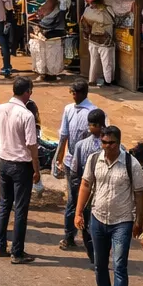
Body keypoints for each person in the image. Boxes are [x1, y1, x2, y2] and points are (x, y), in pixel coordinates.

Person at [76, 124, 143, 286]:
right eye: (103, 142)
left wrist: (139, 222)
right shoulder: (94, 160)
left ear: (118, 142)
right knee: (99, 263)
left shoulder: (130, 164)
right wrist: (79, 212)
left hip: (122, 222)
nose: (106, 146)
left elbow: (139, 194)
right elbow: (86, 185)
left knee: (119, 266)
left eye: (111, 143)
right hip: (98, 218)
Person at [0, 77, 40, 264]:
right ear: (26, 92)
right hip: (21, 165)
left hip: (3, 161)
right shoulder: (27, 115)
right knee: (20, 209)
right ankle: (17, 252)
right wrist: (36, 169)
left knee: (4, 205)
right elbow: (32, 145)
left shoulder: (0, 108)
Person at [55, 81, 97, 251]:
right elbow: (63, 136)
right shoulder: (68, 109)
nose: (73, 95)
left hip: (87, 165)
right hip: (71, 163)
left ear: (80, 93)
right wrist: (58, 157)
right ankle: (69, 236)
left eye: (74, 92)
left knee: (84, 201)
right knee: (74, 200)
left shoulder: (93, 112)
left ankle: (87, 237)